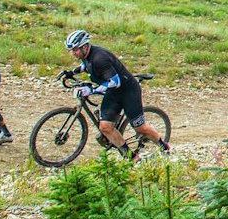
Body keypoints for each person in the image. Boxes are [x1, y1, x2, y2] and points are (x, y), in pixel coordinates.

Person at [63, 29, 170, 158]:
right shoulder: (87, 55)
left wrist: (92, 90)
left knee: (140, 128)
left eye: (75, 50)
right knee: (105, 127)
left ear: (85, 46)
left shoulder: (100, 58)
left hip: (128, 92)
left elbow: (115, 82)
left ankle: (164, 147)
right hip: (114, 93)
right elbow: (85, 66)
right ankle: (131, 157)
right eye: (72, 50)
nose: (73, 53)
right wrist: (71, 72)